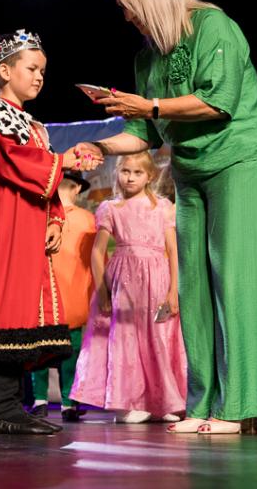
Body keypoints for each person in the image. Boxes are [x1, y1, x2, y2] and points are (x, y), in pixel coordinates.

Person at [76, 0, 257, 434]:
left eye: (128, 5)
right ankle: (203, 403)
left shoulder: (213, 26)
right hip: (191, 169)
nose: (125, 16)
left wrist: (149, 105)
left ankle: (242, 405)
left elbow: (217, 100)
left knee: (235, 277)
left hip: (240, 158)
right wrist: (97, 146)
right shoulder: (146, 57)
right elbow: (141, 134)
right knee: (193, 284)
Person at [0, 29, 98, 435]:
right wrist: (63, 160)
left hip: (30, 228)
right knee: (8, 310)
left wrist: (54, 219)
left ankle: (12, 407)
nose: (39, 77)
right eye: (32, 68)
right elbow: (14, 163)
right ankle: (3, 409)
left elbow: (42, 180)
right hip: (8, 228)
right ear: (5, 71)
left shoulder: (32, 125)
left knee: (25, 311)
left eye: (42, 71)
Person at [71, 152, 186, 423]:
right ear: (117, 173)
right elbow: (97, 253)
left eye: (137, 173)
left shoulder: (163, 207)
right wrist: (102, 291)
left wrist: (173, 291)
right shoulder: (111, 208)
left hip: (156, 279)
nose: (130, 178)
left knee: (159, 337)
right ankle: (126, 403)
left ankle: (163, 401)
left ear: (150, 176)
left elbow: (173, 250)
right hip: (124, 281)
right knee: (125, 339)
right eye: (125, 171)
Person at [29, 171, 95, 422]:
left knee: (60, 348)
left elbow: (94, 258)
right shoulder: (42, 215)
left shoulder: (87, 219)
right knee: (47, 347)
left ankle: (60, 400)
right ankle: (52, 400)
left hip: (68, 290)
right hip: (52, 289)